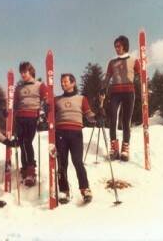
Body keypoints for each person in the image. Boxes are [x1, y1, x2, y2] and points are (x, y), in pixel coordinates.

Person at [55, 73, 96, 204]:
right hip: (60, 133)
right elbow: (50, 116)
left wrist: (97, 117)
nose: (63, 84)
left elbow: (89, 115)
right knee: (62, 163)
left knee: (77, 162)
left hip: (76, 134)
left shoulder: (81, 98)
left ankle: (85, 189)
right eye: (62, 82)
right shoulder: (56, 100)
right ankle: (64, 190)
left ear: (73, 83)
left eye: (66, 82)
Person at [101, 35, 140, 161]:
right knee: (113, 118)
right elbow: (107, 77)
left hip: (129, 92)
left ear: (125, 46)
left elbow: (141, 75)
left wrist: (144, 88)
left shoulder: (134, 60)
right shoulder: (112, 62)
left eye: (119, 46)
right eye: (115, 46)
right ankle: (114, 148)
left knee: (125, 120)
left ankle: (125, 149)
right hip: (115, 92)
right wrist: (103, 88)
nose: (117, 48)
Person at [13, 61, 48, 187]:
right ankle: (25, 168)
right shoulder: (19, 88)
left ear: (31, 71)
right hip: (20, 118)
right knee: (21, 143)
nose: (23, 75)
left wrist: (43, 116)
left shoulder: (39, 85)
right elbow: (15, 104)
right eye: (21, 73)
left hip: (32, 117)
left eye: (25, 72)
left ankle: (31, 171)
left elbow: (46, 100)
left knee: (27, 142)